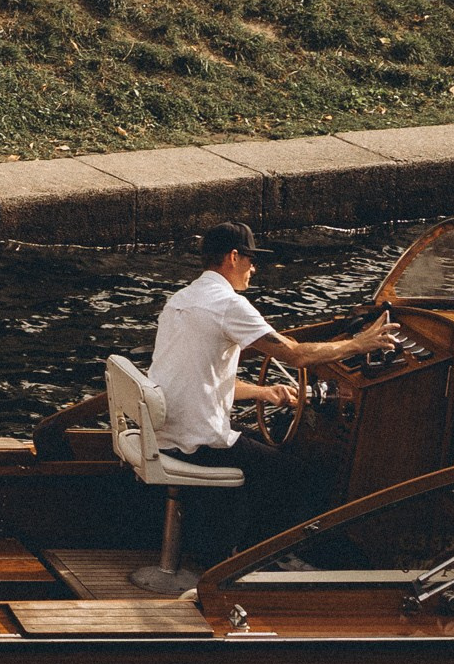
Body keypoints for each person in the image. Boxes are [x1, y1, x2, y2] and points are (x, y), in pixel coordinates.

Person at [148, 221, 396, 555]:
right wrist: (358, 344)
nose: (254, 267)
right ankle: (253, 563)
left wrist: (264, 393)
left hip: (166, 431)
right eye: (251, 258)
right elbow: (294, 354)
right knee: (300, 477)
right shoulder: (228, 304)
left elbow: (200, 380)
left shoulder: (181, 299)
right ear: (234, 257)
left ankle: (228, 549)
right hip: (198, 441)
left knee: (262, 449)